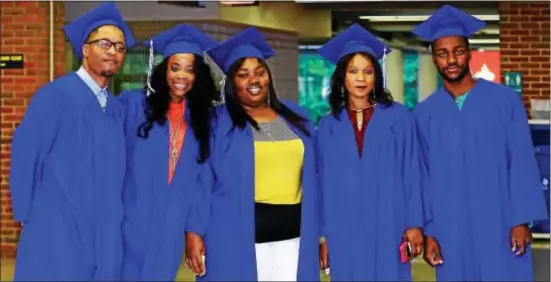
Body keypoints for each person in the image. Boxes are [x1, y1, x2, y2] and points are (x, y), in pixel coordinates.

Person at [412, 4, 548, 281]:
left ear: (469, 53)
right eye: (443, 53)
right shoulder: (423, 114)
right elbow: (421, 177)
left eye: (458, 51)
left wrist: (522, 219)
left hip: (500, 223)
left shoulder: (505, 101)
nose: (451, 59)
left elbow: (521, 162)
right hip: (450, 227)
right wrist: (429, 231)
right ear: (434, 59)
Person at [9, 2, 135, 280]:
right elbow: (26, 155)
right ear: (85, 48)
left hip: (103, 231)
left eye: (119, 47)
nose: (113, 52)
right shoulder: (55, 95)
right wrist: (29, 218)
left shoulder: (115, 109)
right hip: (57, 226)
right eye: (105, 43)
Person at [184, 27, 321, 281]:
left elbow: (316, 178)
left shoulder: (297, 118)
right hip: (234, 236)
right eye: (244, 75)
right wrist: (194, 231)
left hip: (293, 239)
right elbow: (202, 180)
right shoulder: (217, 123)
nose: (254, 80)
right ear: (232, 82)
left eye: (260, 72)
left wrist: (323, 232)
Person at [315, 23, 425, 281]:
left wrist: (414, 224)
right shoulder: (328, 125)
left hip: (390, 222)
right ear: (342, 76)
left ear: (377, 76)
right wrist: (323, 235)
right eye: (353, 71)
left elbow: (412, 172)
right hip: (344, 227)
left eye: (367, 71)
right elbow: (321, 185)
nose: (361, 78)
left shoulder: (398, 117)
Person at [117, 24, 219, 280]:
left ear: (198, 76)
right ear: (163, 70)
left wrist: (194, 230)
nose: (181, 76)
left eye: (189, 69)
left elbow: (203, 181)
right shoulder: (133, 106)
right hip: (128, 219)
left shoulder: (204, 121)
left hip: (171, 224)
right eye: (175, 68)